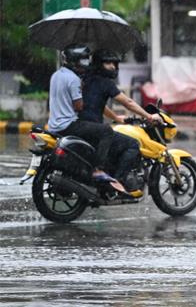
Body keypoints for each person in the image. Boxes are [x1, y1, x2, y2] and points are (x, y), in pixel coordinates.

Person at [79, 49, 162, 197]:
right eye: (107, 63)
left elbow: (99, 105)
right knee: (132, 144)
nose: (112, 66)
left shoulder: (87, 79)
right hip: (94, 130)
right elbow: (128, 102)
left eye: (113, 63)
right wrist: (149, 116)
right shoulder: (106, 83)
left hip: (83, 127)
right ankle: (118, 182)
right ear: (99, 64)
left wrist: (116, 118)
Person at [47, 44, 120, 187]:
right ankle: (98, 170)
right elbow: (78, 106)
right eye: (82, 61)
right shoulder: (74, 80)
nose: (85, 65)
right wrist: (81, 90)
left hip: (53, 124)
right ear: (74, 61)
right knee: (107, 131)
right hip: (69, 124)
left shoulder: (56, 75)